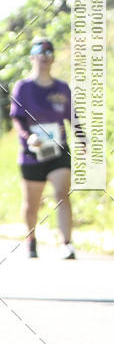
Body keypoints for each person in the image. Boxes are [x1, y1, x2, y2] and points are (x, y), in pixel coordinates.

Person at [10, 37, 77, 259]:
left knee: (62, 193)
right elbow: (17, 118)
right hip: (32, 153)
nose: (45, 57)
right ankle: (31, 238)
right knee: (31, 204)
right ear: (32, 57)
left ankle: (66, 243)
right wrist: (28, 137)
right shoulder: (23, 88)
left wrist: (83, 137)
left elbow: (72, 117)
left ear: (53, 58)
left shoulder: (61, 88)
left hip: (58, 151)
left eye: (49, 53)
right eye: (40, 52)